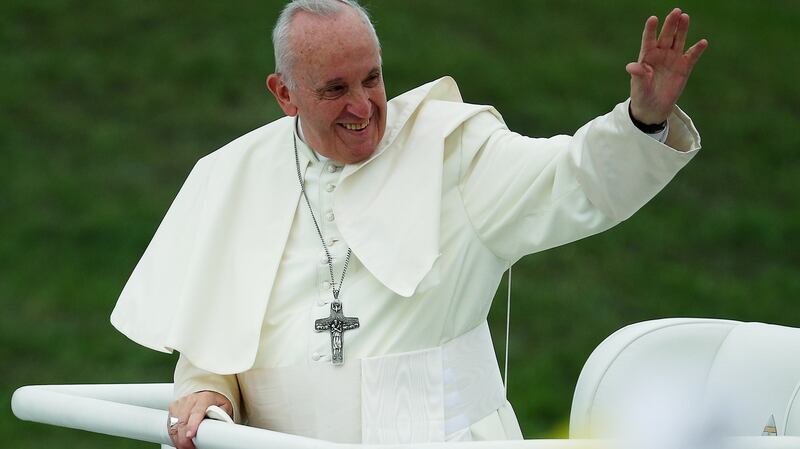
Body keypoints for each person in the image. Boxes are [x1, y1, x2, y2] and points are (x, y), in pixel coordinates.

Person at [109, 1, 707, 448]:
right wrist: (209, 389)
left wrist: (642, 121)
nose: (364, 107)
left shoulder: (454, 151)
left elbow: (574, 179)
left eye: (371, 78)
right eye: (335, 89)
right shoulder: (232, 176)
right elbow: (214, 333)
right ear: (284, 93)